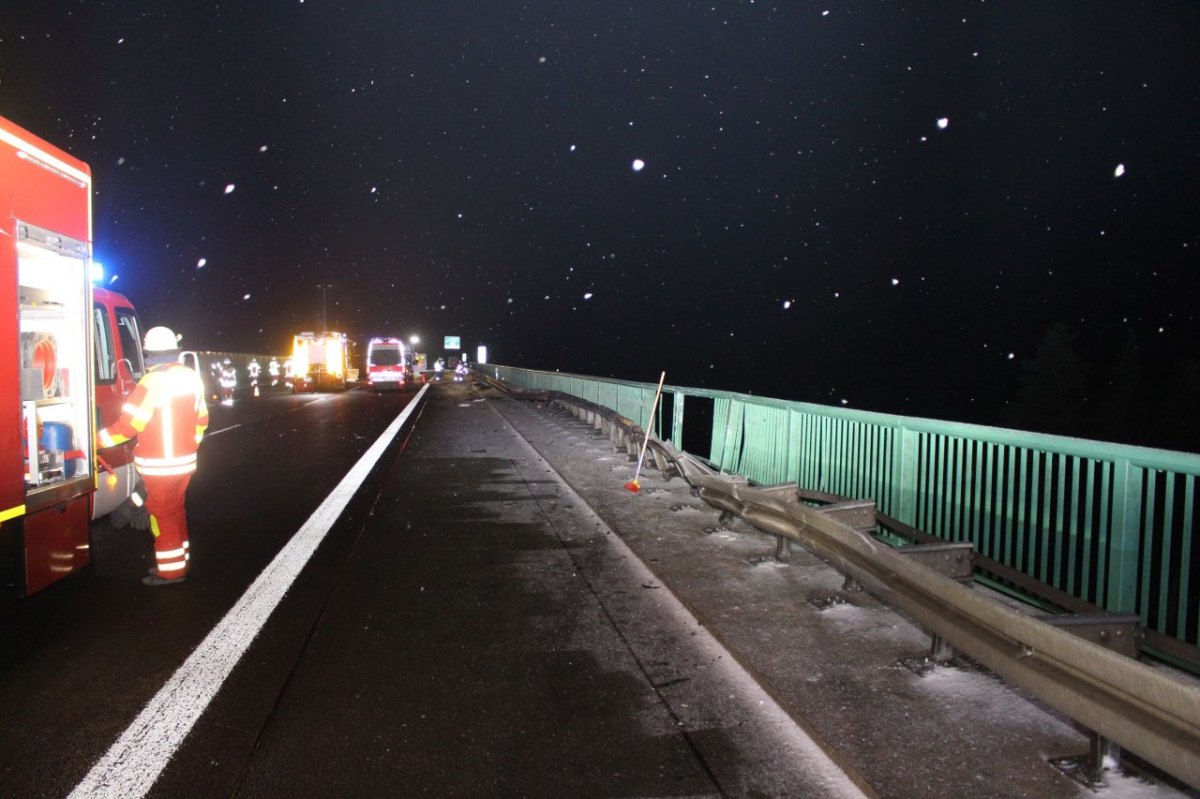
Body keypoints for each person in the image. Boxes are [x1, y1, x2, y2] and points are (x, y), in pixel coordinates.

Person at [98, 326, 209, 586]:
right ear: (176, 351)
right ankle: (180, 562)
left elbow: (128, 427)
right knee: (175, 511)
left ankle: (170, 572)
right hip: (185, 463)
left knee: (162, 514)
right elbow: (202, 420)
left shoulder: (151, 382)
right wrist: (189, 446)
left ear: (148, 354)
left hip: (160, 465)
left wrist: (95, 441)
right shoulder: (191, 378)